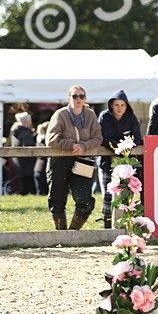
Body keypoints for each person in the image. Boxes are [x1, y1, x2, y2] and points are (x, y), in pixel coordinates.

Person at [46, 86, 103, 231]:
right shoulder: (60, 114)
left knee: (84, 199)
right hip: (60, 160)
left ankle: (73, 232)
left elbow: (98, 137)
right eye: (75, 96)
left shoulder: (90, 115)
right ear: (69, 98)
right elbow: (51, 139)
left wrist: (83, 146)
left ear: (85, 98)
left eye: (81, 96)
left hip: (83, 160)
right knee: (57, 197)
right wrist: (71, 145)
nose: (78, 99)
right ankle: (61, 233)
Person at [98, 90, 143, 228]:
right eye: (116, 105)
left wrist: (127, 146)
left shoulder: (131, 117)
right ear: (111, 105)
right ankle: (107, 224)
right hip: (107, 162)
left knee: (126, 193)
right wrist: (121, 146)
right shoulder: (104, 117)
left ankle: (125, 223)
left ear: (126, 106)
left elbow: (137, 137)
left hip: (127, 163)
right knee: (108, 194)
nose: (119, 108)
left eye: (122, 105)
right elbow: (104, 139)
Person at [11, 111, 38, 195]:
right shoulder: (26, 133)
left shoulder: (15, 132)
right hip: (28, 164)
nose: (31, 122)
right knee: (29, 188)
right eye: (30, 120)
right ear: (26, 121)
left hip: (18, 162)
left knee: (23, 187)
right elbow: (29, 149)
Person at [34, 120, 50, 196]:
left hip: (37, 168)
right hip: (43, 168)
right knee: (43, 192)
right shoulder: (45, 141)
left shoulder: (38, 139)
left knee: (40, 191)